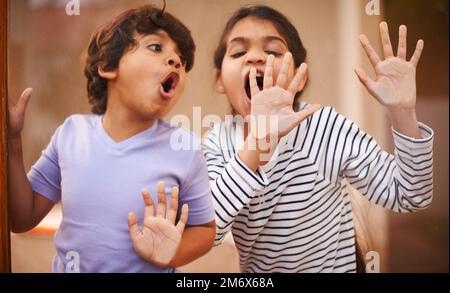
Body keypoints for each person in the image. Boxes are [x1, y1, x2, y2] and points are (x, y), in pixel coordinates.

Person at [202, 5, 434, 272]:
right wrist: (257, 143)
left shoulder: (323, 126)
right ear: (219, 79)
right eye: (239, 52)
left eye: (273, 51)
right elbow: (208, 230)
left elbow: (411, 194)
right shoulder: (216, 143)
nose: (255, 57)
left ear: (300, 77)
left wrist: (403, 112)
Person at [7, 4, 215, 273]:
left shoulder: (184, 147)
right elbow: (22, 218)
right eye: (156, 47)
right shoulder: (71, 133)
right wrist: (12, 141)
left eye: (182, 60)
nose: (175, 60)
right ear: (107, 65)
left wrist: (170, 254)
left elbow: (205, 229)